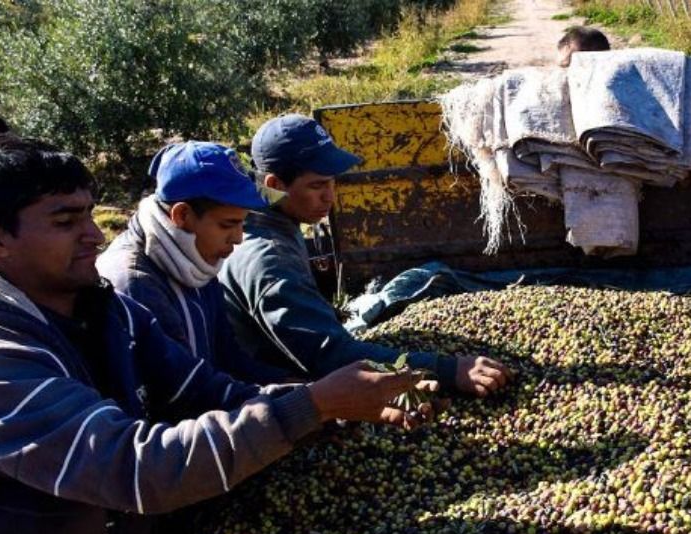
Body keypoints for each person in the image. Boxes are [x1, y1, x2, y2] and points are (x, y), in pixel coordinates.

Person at [0, 137, 436, 534]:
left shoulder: (104, 311)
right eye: (65, 222)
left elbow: (205, 386)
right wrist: (312, 406)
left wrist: (319, 405)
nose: (92, 235)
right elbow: (134, 465)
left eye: (88, 215)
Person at [219, 114, 513, 396]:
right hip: (271, 389)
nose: (330, 197)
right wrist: (448, 370)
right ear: (275, 185)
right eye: (317, 185)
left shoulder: (270, 216)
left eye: (332, 182)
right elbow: (330, 357)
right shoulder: (268, 258)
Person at [98, 141, 285, 383]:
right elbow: (182, 392)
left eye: (243, 223)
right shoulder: (136, 286)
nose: (238, 238)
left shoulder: (194, 260)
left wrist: (304, 388)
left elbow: (228, 359)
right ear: (182, 216)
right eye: (227, 224)